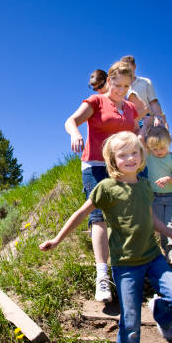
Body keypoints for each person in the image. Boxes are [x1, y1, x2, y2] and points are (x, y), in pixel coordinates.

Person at [39, 131, 172, 343]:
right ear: (113, 160)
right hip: (126, 266)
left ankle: (162, 314)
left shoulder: (145, 186)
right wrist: (57, 239)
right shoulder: (107, 188)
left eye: (134, 153)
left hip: (153, 257)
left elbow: (152, 219)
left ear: (142, 156)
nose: (130, 158)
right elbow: (81, 213)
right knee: (130, 324)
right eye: (123, 155)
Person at [66, 62, 139, 303]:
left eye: (126, 86)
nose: (120, 90)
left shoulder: (129, 107)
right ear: (108, 81)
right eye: (116, 85)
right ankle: (102, 277)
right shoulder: (96, 102)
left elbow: (135, 131)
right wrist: (75, 133)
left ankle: (127, 271)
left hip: (120, 168)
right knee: (98, 217)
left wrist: (143, 137)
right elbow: (71, 120)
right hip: (95, 165)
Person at [145, 126, 172, 264]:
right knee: (161, 225)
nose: (159, 152)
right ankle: (166, 250)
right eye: (154, 149)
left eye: (162, 148)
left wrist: (169, 179)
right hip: (154, 197)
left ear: (169, 142)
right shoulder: (148, 156)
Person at [120, 55, 167, 133]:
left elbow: (153, 103)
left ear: (134, 67)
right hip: (129, 124)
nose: (127, 70)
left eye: (129, 67)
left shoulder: (145, 82)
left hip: (146, 120)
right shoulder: (120, 87)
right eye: (124, 68)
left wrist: (158, 118)